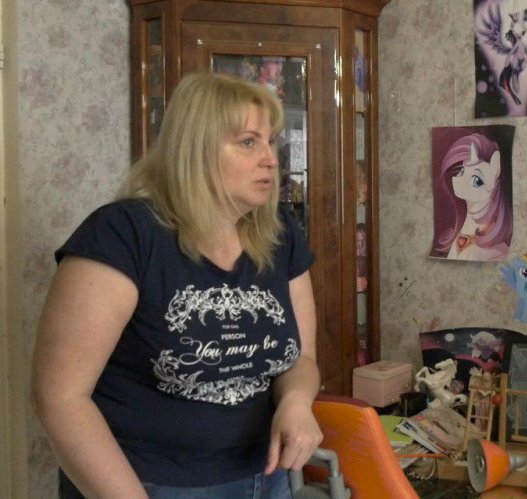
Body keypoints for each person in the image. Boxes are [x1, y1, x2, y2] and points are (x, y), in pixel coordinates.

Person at [31, 73, 323, 498]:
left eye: (271, 141)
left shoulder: (280, 234)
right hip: (142, 483)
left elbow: (302, 359)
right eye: (248, 142)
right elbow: (60, 398)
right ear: (196, 149)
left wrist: (296, 402)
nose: (270, 159)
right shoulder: (123, 235)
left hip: (265, 475)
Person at [430, 132, 513, 261]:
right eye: (462, 170)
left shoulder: (496, 254)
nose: (458, 178)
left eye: (476, 180)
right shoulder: (460, 238)